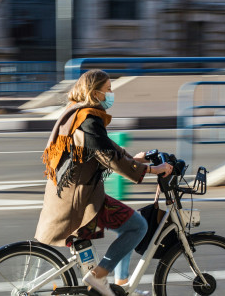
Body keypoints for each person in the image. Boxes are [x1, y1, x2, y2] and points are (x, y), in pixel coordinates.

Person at [35, 69, 173, 296]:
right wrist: (151, 169)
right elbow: (109, 157)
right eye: (108, 89)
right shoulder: (88, 119)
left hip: (75, 194)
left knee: (129, 224)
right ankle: (98, 277)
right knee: (137, 226)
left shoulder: (76, 112)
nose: (111, 93)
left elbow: (105, 147)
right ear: (95, 92)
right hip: (80, 200)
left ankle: (119, 285)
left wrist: (132, 159)